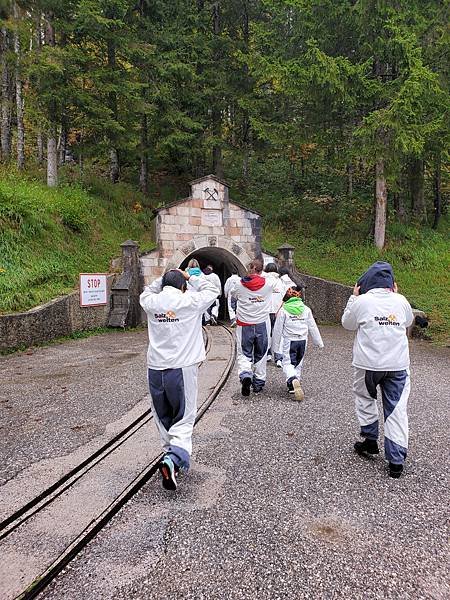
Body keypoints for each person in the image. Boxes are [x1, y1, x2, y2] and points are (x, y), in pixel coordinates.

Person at [139, 269, 219, 490]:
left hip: (155, 368)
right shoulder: (189, 301)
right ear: (182, 286)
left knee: (162, 415)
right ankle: (173, 459)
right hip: (181, 369)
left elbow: (146, 291)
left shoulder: (151, 302)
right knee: (184, 416)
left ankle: (169, 455)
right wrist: (189, 276)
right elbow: (212, 289)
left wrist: (163, 278)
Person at [341, 261, 414, 479]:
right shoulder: (401, 301)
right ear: (392, 283)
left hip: (367, 364)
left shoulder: (361, 301)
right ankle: (396, 461)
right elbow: (408, 320)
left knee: (365, 398)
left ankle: (370, 440)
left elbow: (347, 324)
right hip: (397, 364)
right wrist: (396, 295)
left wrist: (353, 297)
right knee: (396, 408)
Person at [229, 258, 277, 396]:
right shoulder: (269, 283)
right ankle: (258, 383)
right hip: (262, 323)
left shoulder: (239, 284)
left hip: (244, 325)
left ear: (250, 269)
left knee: (244, 353)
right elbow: (274, 279)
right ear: (261, 270)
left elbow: (234, 295)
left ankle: (245, 374)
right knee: (261, 354)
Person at [271, 285, 324, 401]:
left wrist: (275, 347)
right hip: (303, 340)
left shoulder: (284, 310)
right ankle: (294, 386)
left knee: (287, 363)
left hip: (290, 340)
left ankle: (292, 379)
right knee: (298, 363)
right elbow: (313, 327)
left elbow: (278, 330)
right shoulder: (306, 309)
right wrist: (319, 342)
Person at [263, 262, 285, 363]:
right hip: (278, 312)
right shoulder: (280, 282)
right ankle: (278, 357)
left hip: (265, 312)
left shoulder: (264, 281)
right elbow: (285, 298)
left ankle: (267, 354)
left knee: (266, 334)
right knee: (278, 334)